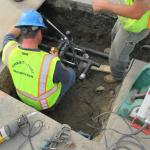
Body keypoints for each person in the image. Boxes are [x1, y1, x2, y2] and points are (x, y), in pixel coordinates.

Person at [2, 9, 76, 112]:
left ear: (21, 29)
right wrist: (56, 58)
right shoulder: (51, 62)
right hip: (45, 106)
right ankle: (53, 108)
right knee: (71, 73)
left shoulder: (9, 50)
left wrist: (24, 21)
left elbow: (8, 35)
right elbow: (67, 79)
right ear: (39, 32)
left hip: (23, 99)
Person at [92, 0, 150, 83]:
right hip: (126, 19)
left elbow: (136, 13)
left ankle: (117, 76)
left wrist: (104, 4)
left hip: (135, 26)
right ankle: (114, 51)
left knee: (118, 55)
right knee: (114, 33)